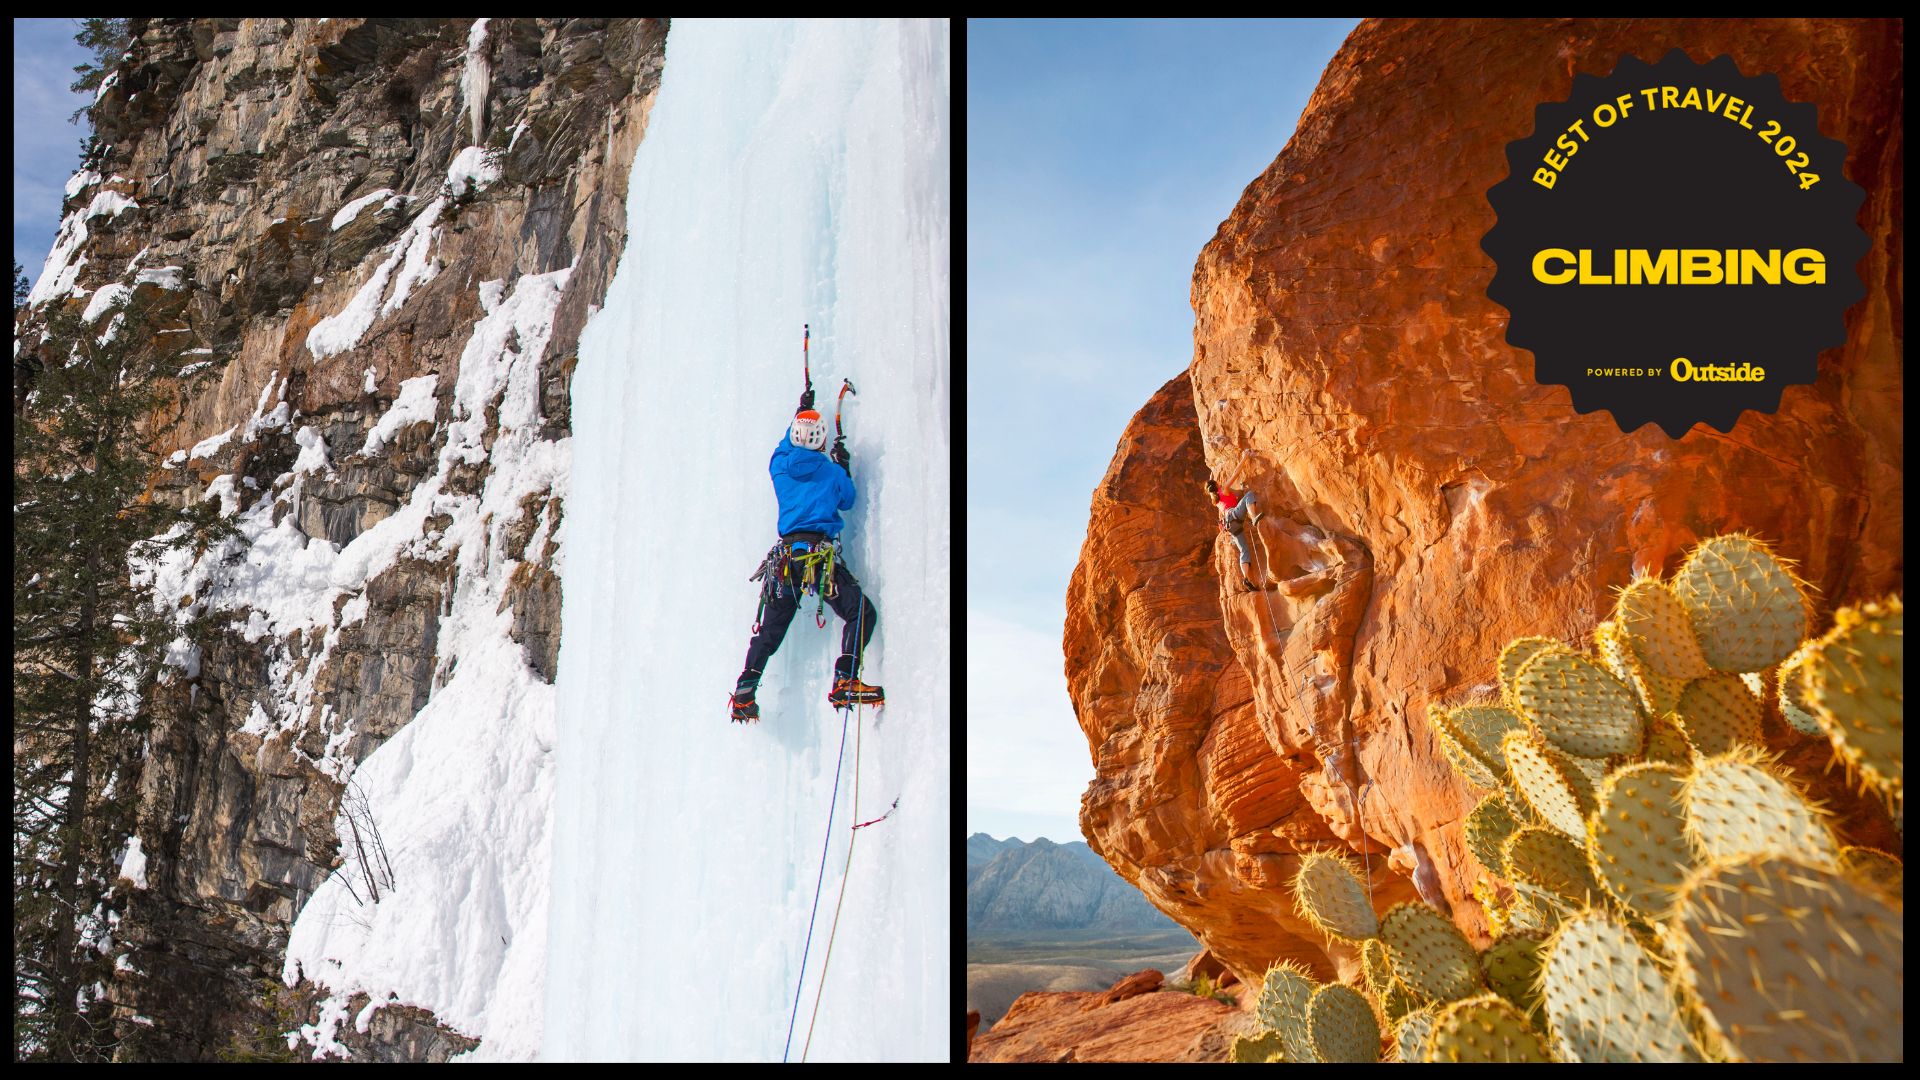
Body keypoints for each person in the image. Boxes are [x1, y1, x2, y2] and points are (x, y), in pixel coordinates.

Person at [728, 389, 883, 722]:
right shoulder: (831, 472)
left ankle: (745, 691)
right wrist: (844, 465)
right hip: (817, 560)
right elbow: (848, 500)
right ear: (822, 439)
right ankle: (845, 678)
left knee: (770, 631)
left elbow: (785, 446)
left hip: (786, 562)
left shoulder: (780, 467)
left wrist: (800, 412)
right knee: (860, 612)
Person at [1207, 477, 1264, 591]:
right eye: (1217, 482)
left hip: (1230, 526)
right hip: (1234, 515)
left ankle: (1246, 578)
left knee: (1244, 551)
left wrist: (1241, 490)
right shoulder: (1223, 489)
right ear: (1217, 485)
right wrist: (1243, 463)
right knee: (1249, 495)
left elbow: (1234, 500)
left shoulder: (1216, 500)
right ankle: (1253, 517)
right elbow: (1235, 474)